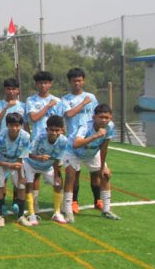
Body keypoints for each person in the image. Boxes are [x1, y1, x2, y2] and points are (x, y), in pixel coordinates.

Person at [62, 104, 121, 223]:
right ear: (94, 117)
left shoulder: (110, 127)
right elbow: (76, 144)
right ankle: (68, 211)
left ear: (110, 118)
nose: (104, 120)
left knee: (105, 176)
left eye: (107, 117)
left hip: (92, 152)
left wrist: (103, 167)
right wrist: (95, 136)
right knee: (70, 176)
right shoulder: (85, 126)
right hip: (73, 152)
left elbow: (104, 148)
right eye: (101, 117)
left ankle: (106, 210)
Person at [62, 68, 102, 214]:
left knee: (96, 172)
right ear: (70, 82)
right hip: (75, 142)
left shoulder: (91, 96)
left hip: (92, 139)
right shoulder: (66, 99)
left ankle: (98, 200)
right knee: (74, 174)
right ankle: (74, 202)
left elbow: (97, 114)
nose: (77, 83)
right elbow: (69, 113)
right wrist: (83, 103)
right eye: (74, 81)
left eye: (79, 80)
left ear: (83, 81)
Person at [23, 115, 68, 225]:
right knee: (29, 185)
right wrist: (39, 157)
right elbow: (27, 153)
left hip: (48, 166)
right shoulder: (40, 137)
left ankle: (57, 213)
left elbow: (58, 159)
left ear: (62, 130)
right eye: (51, 130)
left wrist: (57, 174)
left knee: (58, 184)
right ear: (47, 129)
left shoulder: (63, 141)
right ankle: (31, 213)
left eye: (57, 130)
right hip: (31, 164)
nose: (54, 132)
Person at [0, 113, 32, 227]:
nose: (14, 128)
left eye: (17, 125)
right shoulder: (0, 137)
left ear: (21, 126)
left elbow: (21, 157)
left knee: (21, 186)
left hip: (15, 163)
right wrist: (9, 164)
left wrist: (21, 176)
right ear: (7, 125)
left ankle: (21, 216)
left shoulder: (26, 137)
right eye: (11, 125)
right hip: (1, 163)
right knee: (0, 186)